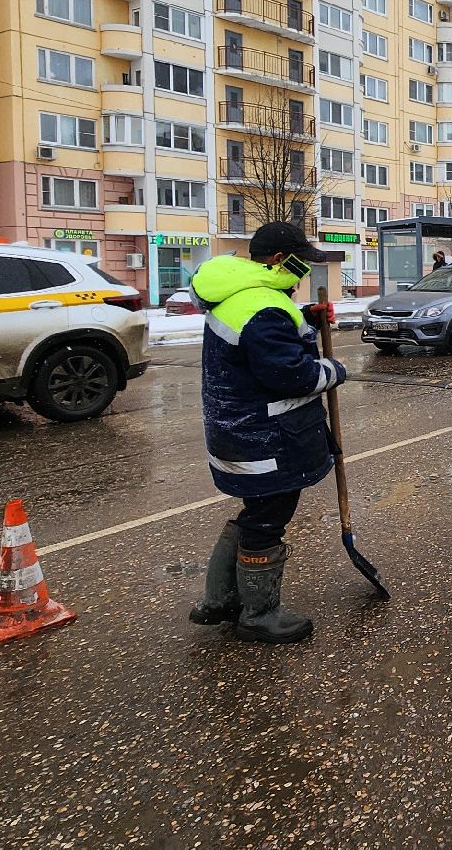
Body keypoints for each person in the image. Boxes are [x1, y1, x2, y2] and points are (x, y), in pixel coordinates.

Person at [186, 221, 348, 643]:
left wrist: (304, 319)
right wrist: (332, 370)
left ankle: (220, 599)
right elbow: (288, 374)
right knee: (267, 520)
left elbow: (258, 345)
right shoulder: (264, 308)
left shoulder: (242, 297)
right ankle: (258, 614)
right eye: (300, 265)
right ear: (279, 261)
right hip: (267, 439)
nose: (303, 275)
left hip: (237, 432)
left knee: (255, 513)